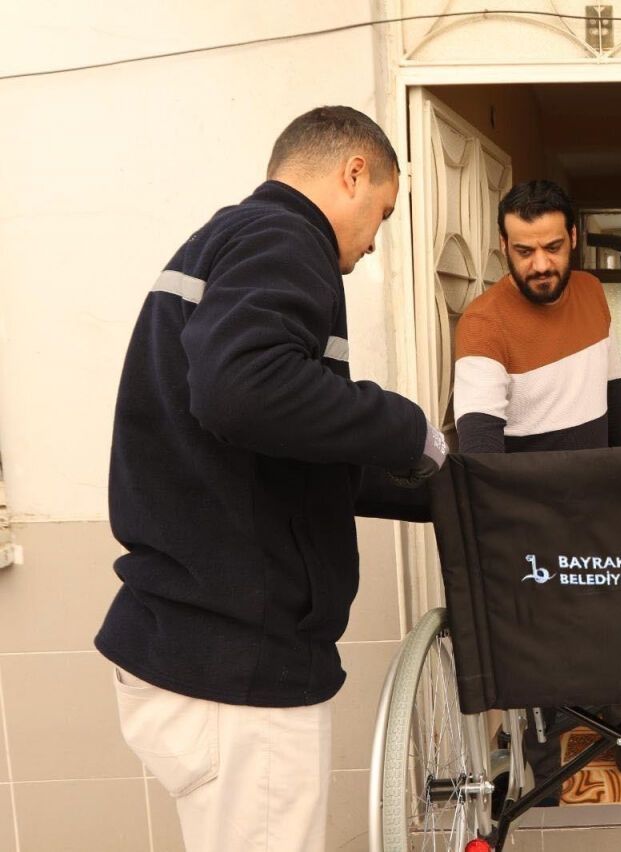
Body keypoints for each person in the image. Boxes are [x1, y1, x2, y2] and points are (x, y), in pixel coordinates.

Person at [96, 106, 447, 852]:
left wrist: (447, 487)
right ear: (354, 171)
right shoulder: (285, 237)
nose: (373, 244)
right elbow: (243, 391)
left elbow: (281, 447)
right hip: (237, 667)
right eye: (383, 214)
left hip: (202, 648)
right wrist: (405, 426)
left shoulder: (225, 240)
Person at [452, 179, 621, 798]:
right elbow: (480, 452)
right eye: (524, 251)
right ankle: (540, 772)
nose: (540, 264)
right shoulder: (483, 324)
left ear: (574, 239)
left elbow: (615, 402)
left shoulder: (590, 293)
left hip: (602, 500)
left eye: (553, 248)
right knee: (541, 645)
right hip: (530, 517)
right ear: (502, 247)